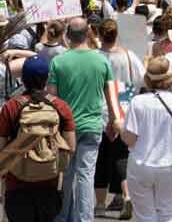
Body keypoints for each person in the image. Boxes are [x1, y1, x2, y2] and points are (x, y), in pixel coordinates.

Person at [48, 17, 122, 222]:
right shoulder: (101, 60)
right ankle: (84, 218)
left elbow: (52, 99)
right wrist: (114, 121)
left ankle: (64, 215)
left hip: (66, 128)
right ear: (88, 32)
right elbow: (111, 96)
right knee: (86, 174)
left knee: (68, 173)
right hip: (92, 125)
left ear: (67, 35)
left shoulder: (58, 62)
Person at [0, 55, 75, 222]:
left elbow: (0, 147)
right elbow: (71, 147)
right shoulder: (61, 107)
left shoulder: (11, 107)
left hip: (17, 186)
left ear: (23, 79)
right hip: (49, 185)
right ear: (47, 78)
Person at [121, 57, 172, 222]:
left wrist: (120, 127)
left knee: (145, 216)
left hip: (141, 164)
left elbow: (129, 139)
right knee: (171, 214)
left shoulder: (137, 102)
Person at [95, 19, 146, 218]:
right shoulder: (129, 55)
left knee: (100, 158)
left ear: (100, 35)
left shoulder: (96, 57)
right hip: (124, 110)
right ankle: (126, 195)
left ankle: (100, 203)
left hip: (100, 110)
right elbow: (141, 81)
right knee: (121, 156)